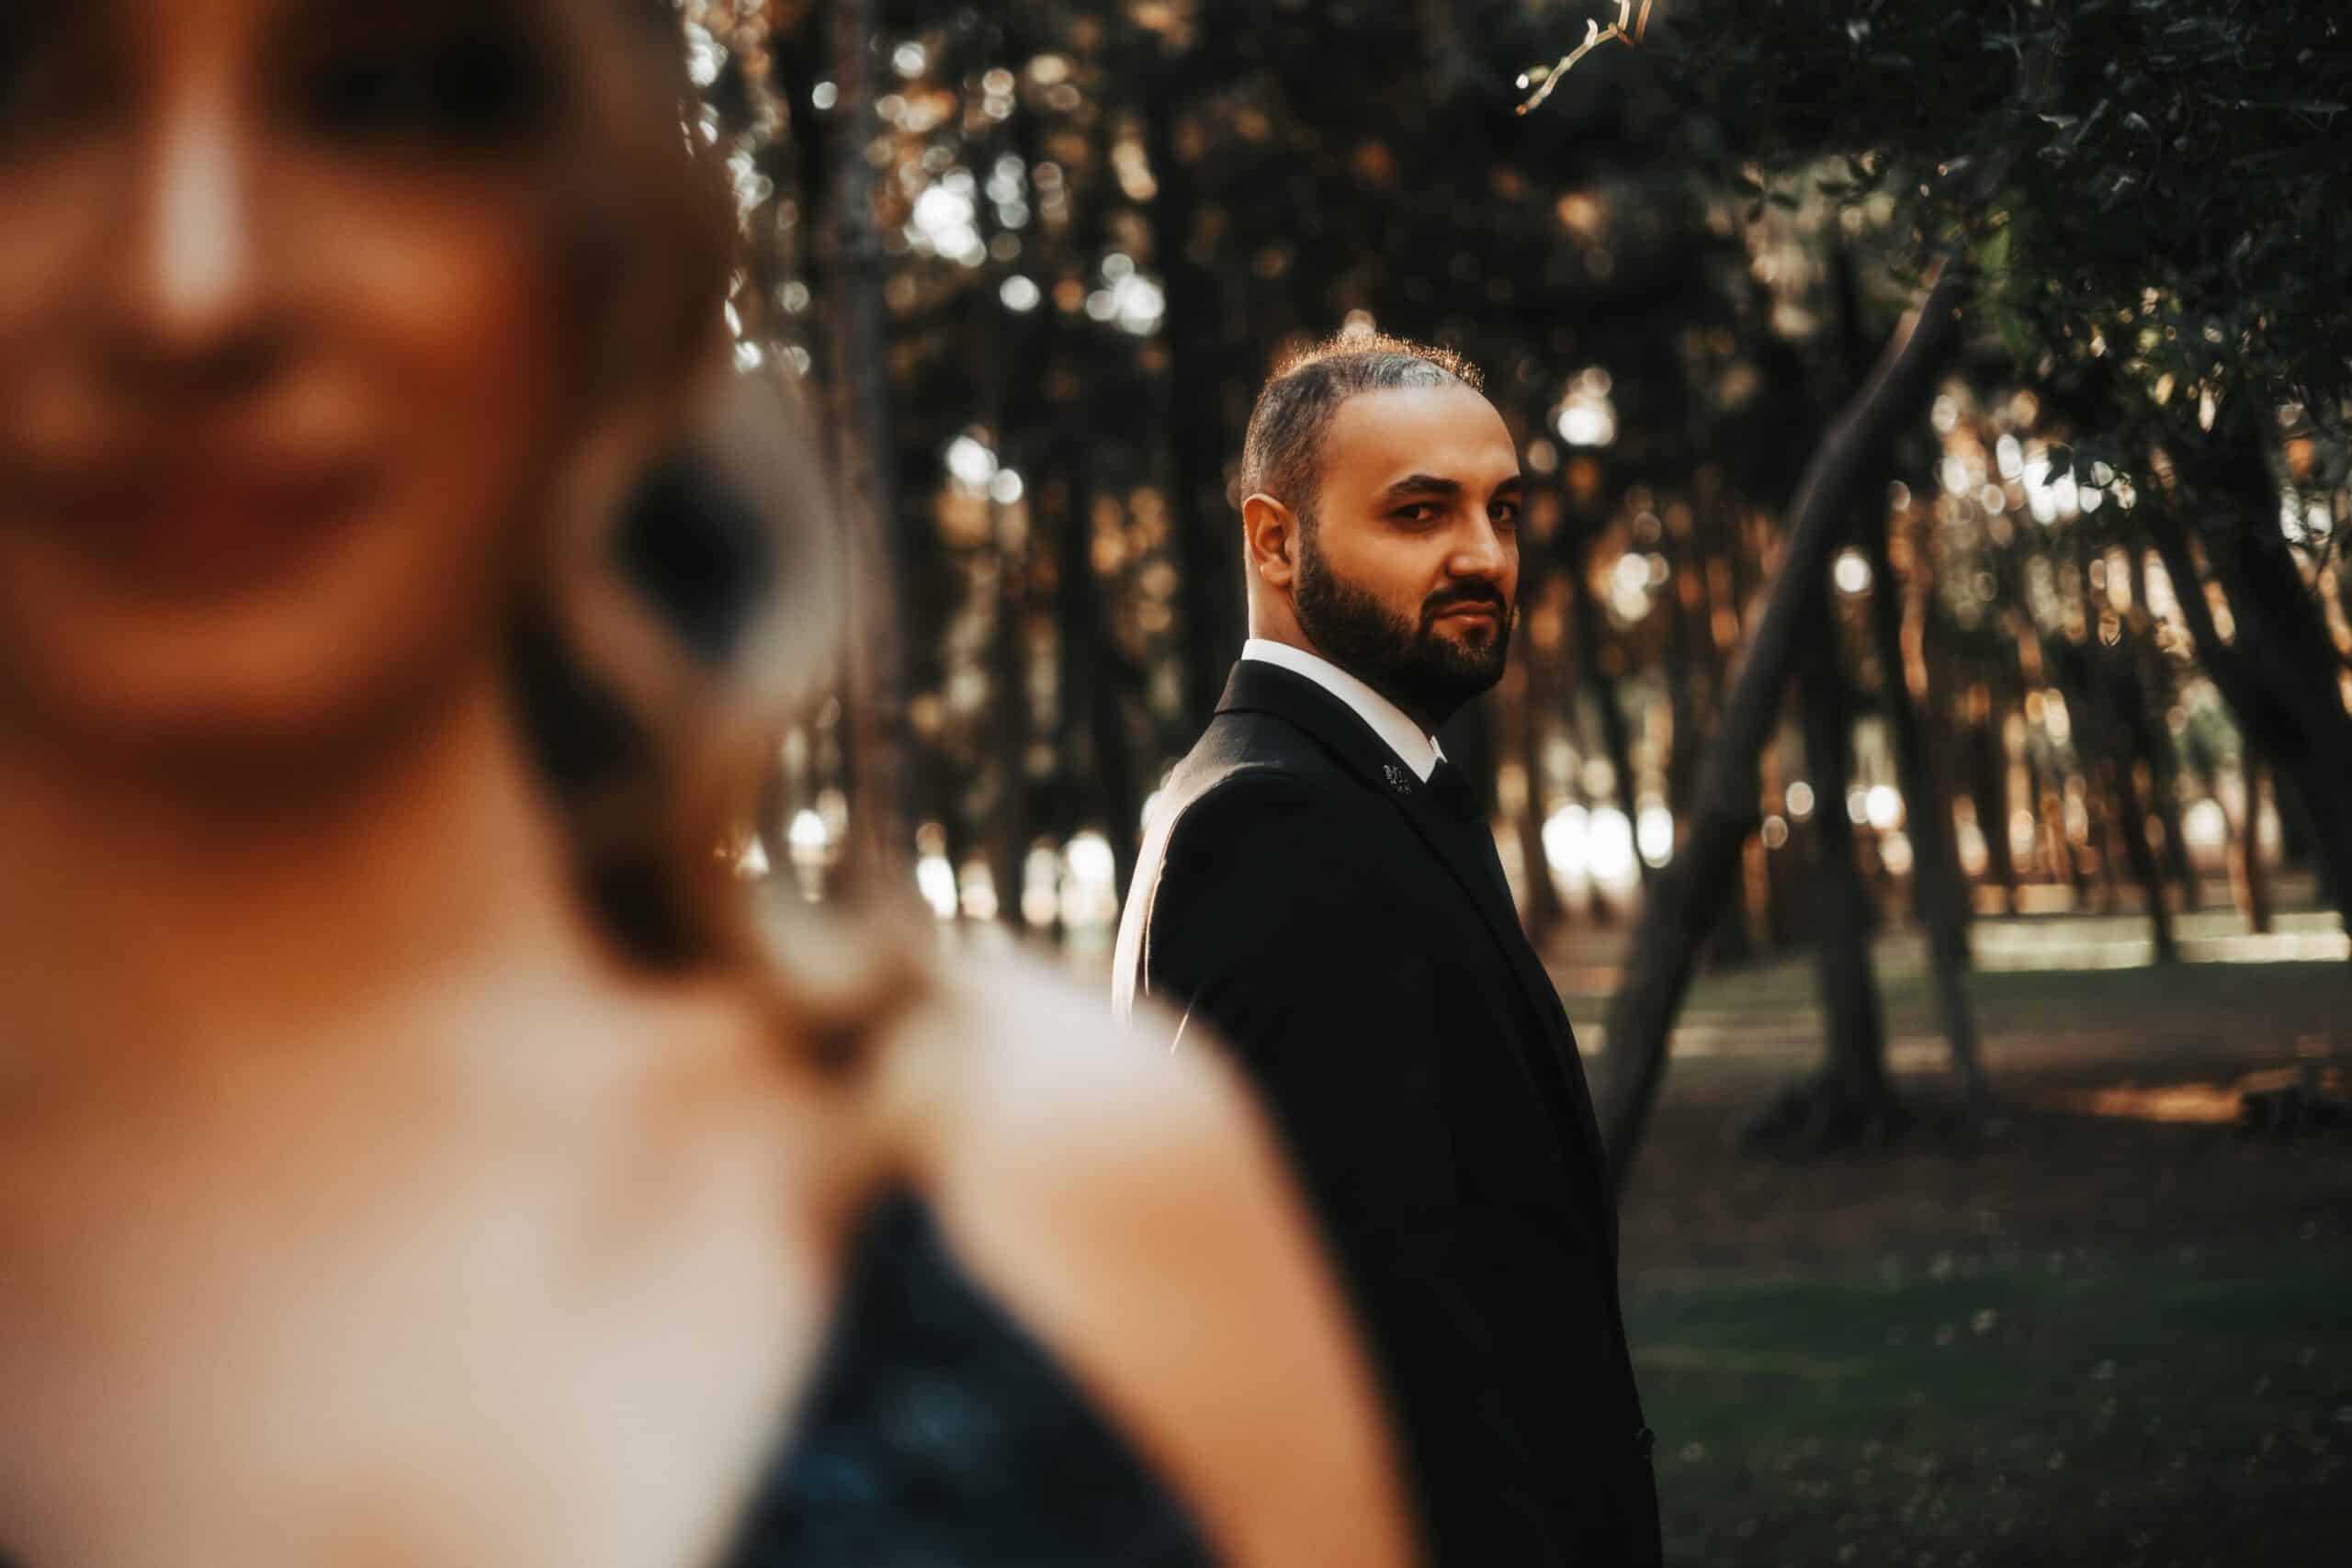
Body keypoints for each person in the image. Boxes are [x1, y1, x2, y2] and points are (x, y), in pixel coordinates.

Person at [0, 4, 1413, 1565]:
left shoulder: (1081, 1224)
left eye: (379, 96)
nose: (191, 289)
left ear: (605, 249)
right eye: (23, 96)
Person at [1114, 335, 1662, 1565]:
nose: (1484, 553)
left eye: (1503, 510)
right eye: (1421, 512)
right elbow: (1383, 1356)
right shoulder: (1277, 827)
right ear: (1274, 543)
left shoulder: (1364, 794)